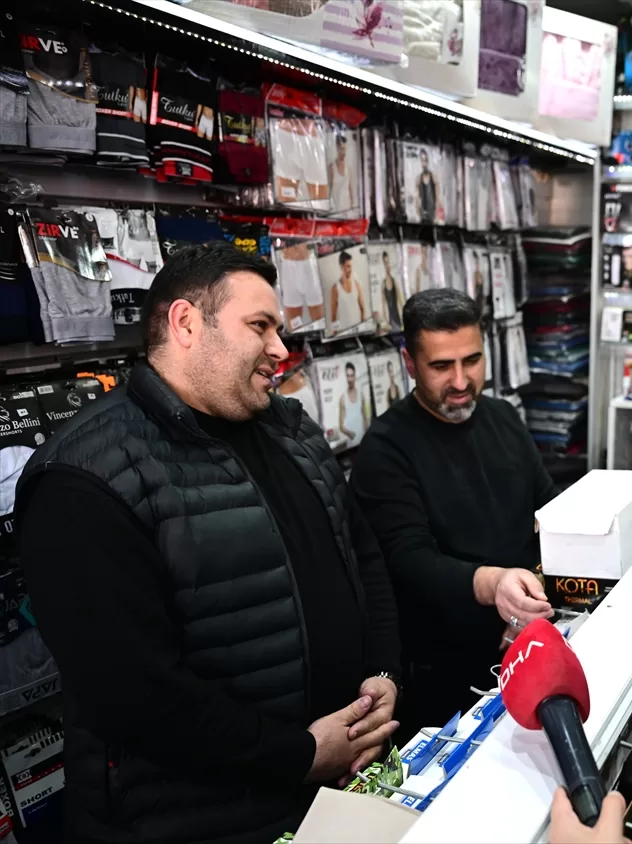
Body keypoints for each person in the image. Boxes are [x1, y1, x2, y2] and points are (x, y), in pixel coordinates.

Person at [15, 242, 402, 844]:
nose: (280, 349)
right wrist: (298, 755)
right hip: (195, 822)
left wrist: (383, 672)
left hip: (332, 793)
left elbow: (362, 557)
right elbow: (133, 693)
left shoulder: (292, 430)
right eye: (260, 326)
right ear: (186, 323)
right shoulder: (83, 478)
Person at [351, 288, 557, 736]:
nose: (462, 381)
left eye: (473, 360)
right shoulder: (385, 450)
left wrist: (530, 603)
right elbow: (410, 562)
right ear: (410, 363)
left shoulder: (504, 418)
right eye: (442, 366)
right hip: (442, 677)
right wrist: (497, 586)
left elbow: (548, 516)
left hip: (528, 646)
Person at [329, 250, 367, 334]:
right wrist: (335, 334)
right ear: (341, 267)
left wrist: (363, 328)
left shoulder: (356, 285)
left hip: (358, 330)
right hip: (344, 333)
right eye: (348, 266)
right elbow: (333, 316)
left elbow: (362, 309)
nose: (351, 270)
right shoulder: (335, 289)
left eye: (351, 266)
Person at [338, 360, 369, 446]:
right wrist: (351, 434)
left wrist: (366, 435)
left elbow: (365, 418)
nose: (350, 379)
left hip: (363, 440)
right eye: (348, 376)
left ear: (355, 376)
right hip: (351, 443)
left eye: (351, 376)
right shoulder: (343, 399)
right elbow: (341, 426)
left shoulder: (361, 395)